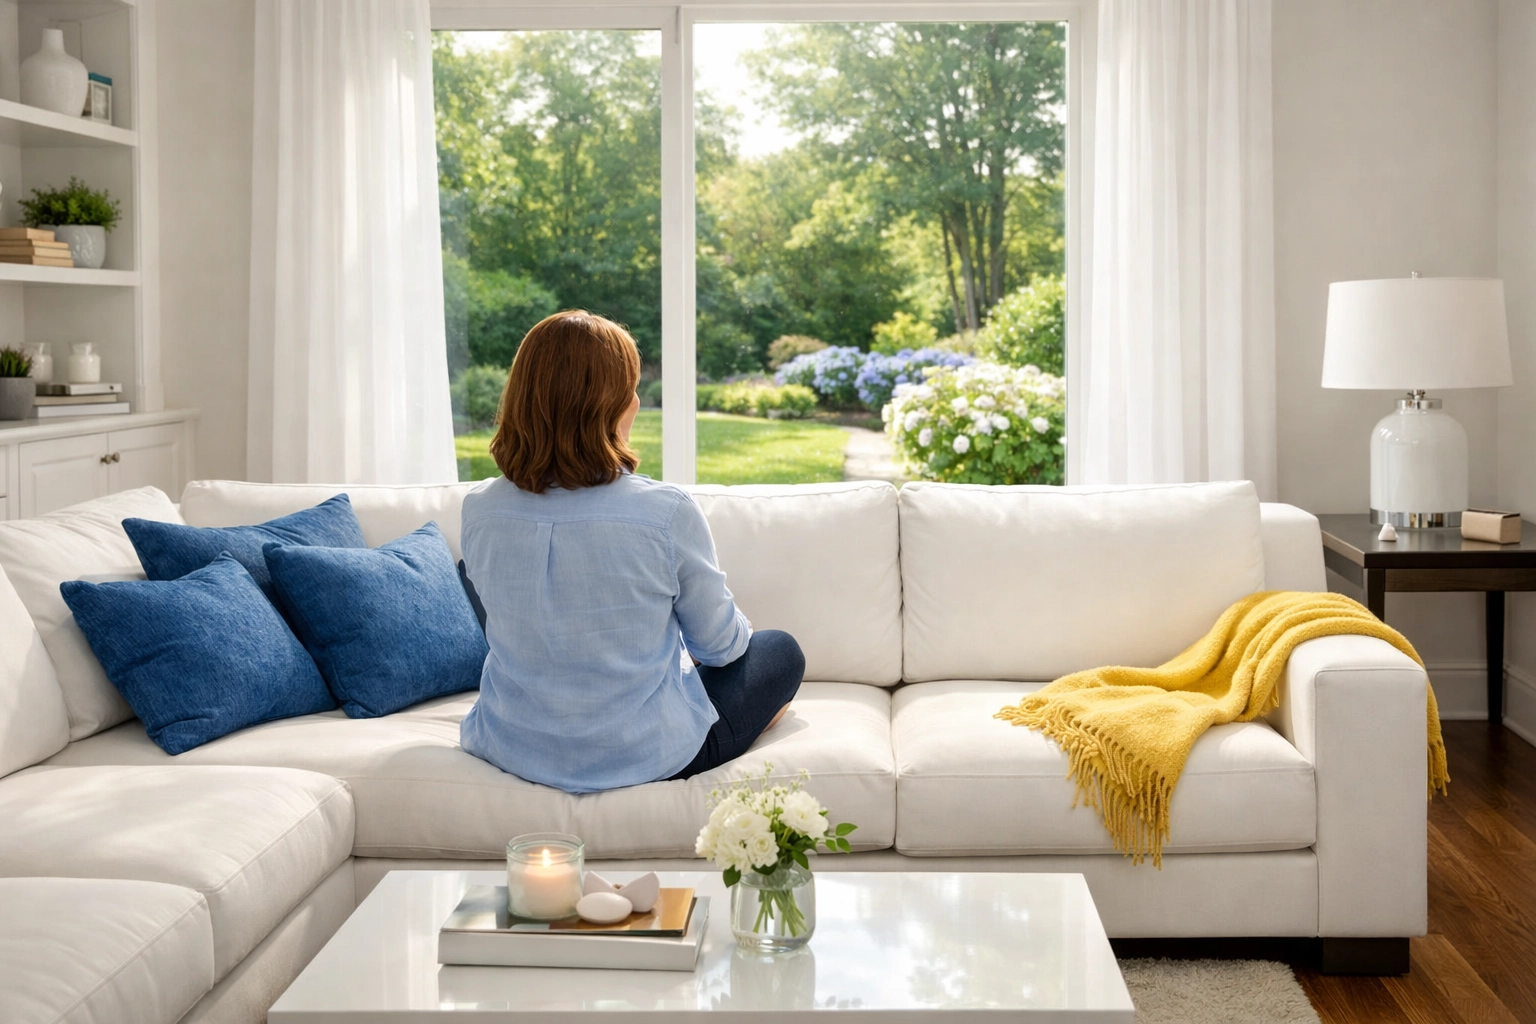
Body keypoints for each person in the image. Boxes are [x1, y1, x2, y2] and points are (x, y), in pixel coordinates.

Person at [459, 310, 804, 794]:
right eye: (631, 389)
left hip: (510, 748)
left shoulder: (479, 509)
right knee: (779, 650)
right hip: (647, 757)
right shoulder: (665, 512)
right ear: (613, 405)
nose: (638, 402)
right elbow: (722, 647)